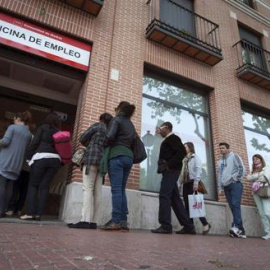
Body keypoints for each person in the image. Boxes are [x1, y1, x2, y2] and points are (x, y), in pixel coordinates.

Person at [68, 113, 113, 229]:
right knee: (98, 191)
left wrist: (91, 144)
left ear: (101, 119)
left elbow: (82, 137)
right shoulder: (110, 131)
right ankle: (94, 222)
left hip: (91, 159)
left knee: (87, 188)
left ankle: (85, 220)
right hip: (102, 163)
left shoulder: (97, 126)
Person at [151, 122, 195, 234]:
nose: (159, 131)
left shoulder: (173, 138)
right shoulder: (168, 139)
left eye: (160, 128)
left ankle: (165, 225)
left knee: (164, 195)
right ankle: (189, 226)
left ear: (166, 128)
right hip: (170, 171)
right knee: (175, 199)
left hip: (172, 171)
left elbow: (181, 153)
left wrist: (168, 165)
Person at [100, 101, 137, 231]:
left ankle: (115, 220)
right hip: (129, 157)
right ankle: (123, 221)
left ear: (119, 109)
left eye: (116, 108)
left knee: (116, 189)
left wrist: (102, 144)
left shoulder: (117, 120)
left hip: (117, 155)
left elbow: (109, 136)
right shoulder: (131, 124)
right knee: (121, 189)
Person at [20, 112, 62, 221]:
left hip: (41, 157)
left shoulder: (42, 128)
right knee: (45, 186)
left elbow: (34, 143)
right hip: (55, 160)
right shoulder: (59, 132)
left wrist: (29, 157)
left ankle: (30, 213)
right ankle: (38, 214)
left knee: (33, 185)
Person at [0, 111, 32, 217]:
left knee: (2, 185)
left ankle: (0, 210)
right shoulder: (28, 134)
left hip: (6, 160)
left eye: (14, 119)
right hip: (17, 164)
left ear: (18, 119)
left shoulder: (12, 127)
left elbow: (5, 141)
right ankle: (4, 209)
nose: (14, 121)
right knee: (10, 187)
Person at [179, 142, 211, 235]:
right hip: (186, 183)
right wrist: (180, 183)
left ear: (190, 148)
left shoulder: (195, 157)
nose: (184, 148)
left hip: (193, 182)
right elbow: (183, 173)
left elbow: (198, 170)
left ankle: (205, 223)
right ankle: (190, 227)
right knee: (187, 206)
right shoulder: (185, 159)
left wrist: (196, 183)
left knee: (195, 205)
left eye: (185, 147)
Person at [218, 142, 246, 238]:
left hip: (235, 184)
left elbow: (242, 168)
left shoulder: (234, 156)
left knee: (235, 204)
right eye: (220, 148)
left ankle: (236, 226)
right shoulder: (220, 161)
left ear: (228, 148)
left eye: (223, 148)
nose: (221, 150)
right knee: (232, 206)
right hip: (226, 186)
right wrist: (220, 187)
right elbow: (220, 175)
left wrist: (235, 179)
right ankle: (241, 231)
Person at [247, 154, 270, 240]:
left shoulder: (266, 168)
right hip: (256, 193)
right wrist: (258, 176)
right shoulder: (253, 170)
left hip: (264, 191)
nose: (255, 160)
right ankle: (268, 233)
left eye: (257, 159)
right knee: (262, 214)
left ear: (261, 159)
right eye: (253, 159)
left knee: (268, 212)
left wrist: (255, 176)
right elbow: (248, 178)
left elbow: (265, 178)